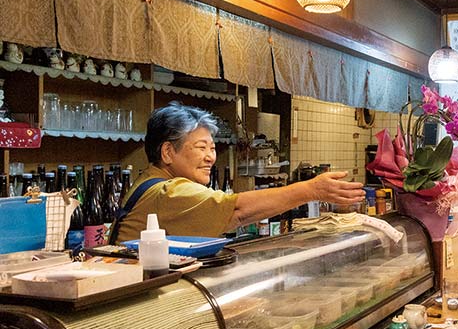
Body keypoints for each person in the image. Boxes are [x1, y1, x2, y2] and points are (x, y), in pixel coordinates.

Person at [112, 103, 365, 242]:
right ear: (167, 152)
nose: (211, 156)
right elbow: (237, 211)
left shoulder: (150, 182)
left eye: (212, 148)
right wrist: (312, 189)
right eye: (201, 148)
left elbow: (230, 217)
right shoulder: (168, 192)